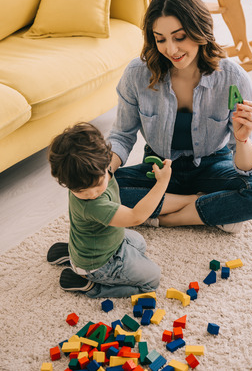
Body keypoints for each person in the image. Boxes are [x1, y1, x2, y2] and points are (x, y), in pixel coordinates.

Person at [107, 0, 252, 233]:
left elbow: (247, 167)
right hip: (160, 169)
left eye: (180, 37)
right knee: (101, 190)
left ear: (200, 29)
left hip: (213, 165)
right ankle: (203, 206)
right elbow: (122, 136)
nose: (171, 49)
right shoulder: (137, 75)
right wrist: (102, 174)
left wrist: (242, 141)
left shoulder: (233, 78)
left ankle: (167, 218)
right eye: (161, 39)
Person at [46, 122, 195, 298]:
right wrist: (162, 183)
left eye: (97, 184)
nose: (92, 194)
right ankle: (90, 285)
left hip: (104, 241)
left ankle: (76, 255)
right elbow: (136, 217)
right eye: (81, 191)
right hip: (101, 263)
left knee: (140, 243)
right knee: (152, 279)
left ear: (105, 162)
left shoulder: (95, 170)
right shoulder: (94, 204)